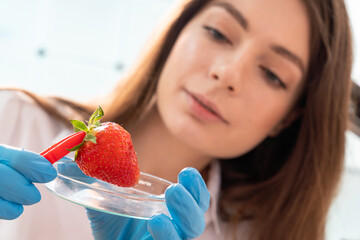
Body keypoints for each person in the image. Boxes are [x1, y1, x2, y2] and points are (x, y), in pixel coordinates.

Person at [0, 0, 353, 239]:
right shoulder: (11, 120)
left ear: (288, 117)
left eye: (272, 74)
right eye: (218, 33)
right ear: (177, 32)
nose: (227, 73)